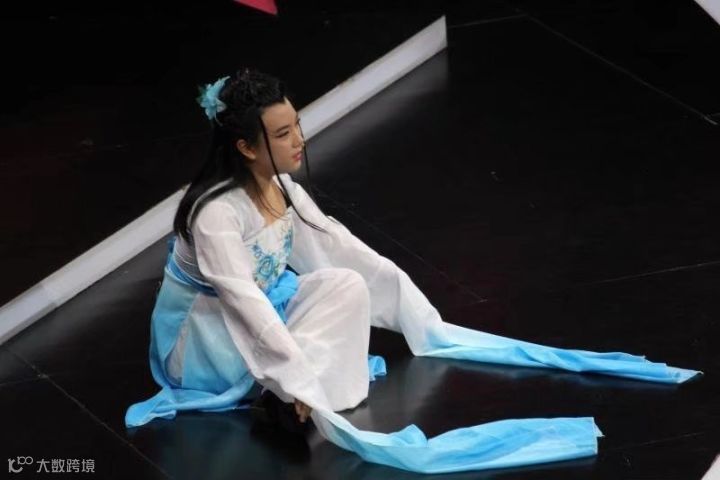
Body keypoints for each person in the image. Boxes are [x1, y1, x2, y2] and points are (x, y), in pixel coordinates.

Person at [125, 68, 701, 474]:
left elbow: (345, 253)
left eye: (297, 124)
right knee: (289, 339)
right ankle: (291, 394)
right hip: (208, 339)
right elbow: (244, 304)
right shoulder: (216, 214)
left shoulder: (284, 190)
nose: (299, 140)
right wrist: (295, 373)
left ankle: (290, 397)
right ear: (246, 148)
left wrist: (419, 317)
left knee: (347, 285)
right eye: (282, 134)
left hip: (261, 311)